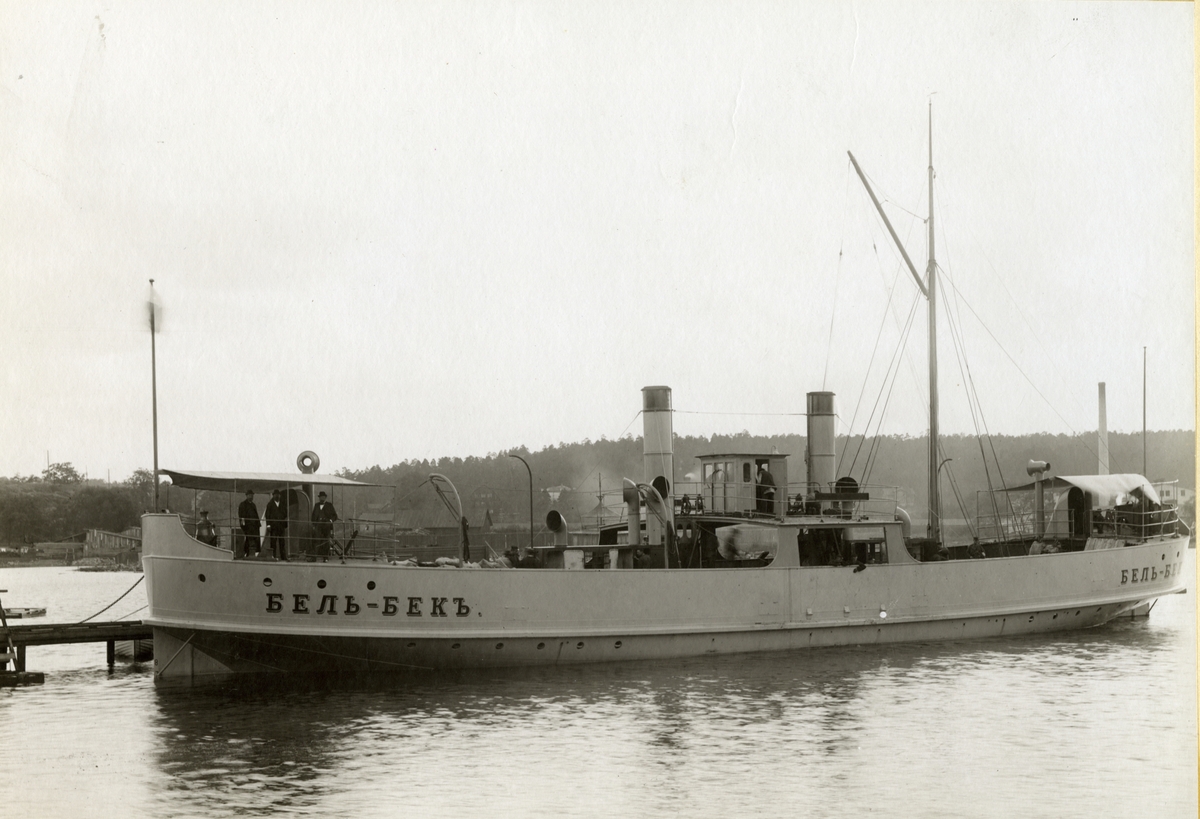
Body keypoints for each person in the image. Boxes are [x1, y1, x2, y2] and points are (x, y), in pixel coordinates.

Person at [310, 491, 338, 560]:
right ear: (319, 498)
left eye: (323, 497)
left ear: (325, 497)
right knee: (316, 541)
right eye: (320, 497)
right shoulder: (316, 505)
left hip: (326, 526)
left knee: (326, 542)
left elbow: (335, 516)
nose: (321, 498)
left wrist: (330, 521)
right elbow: (313, 516)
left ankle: (325, 558)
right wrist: (314, 524)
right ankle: (314, 557)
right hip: (318, 526)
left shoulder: (329, 505)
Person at [265, 489, 289, 560]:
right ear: (273, 495)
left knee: (282, 542)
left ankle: (283, 556)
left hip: (281, 525)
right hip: (273, 526)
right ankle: (273, 556)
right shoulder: (270, 504)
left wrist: (283, 520)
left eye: (278, 495)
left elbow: (285, 513)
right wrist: (268, 525)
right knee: (273, 541)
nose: (277, 496)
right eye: (276, 495)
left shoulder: (283, 504)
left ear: (280, 496)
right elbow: (267, 515)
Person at [238, 489, 260, 558]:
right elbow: (241, 516)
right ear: (247, 496)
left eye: (252, 495)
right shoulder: (243, 504)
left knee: (254, 540)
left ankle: (251, 553)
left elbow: (256, 515)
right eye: (250, 495)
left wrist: (258, 523)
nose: (251, 496)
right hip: (248, 526)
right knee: (249, 539)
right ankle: (247, 553)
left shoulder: (253, 505)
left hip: (254, 526)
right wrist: (243, 526)